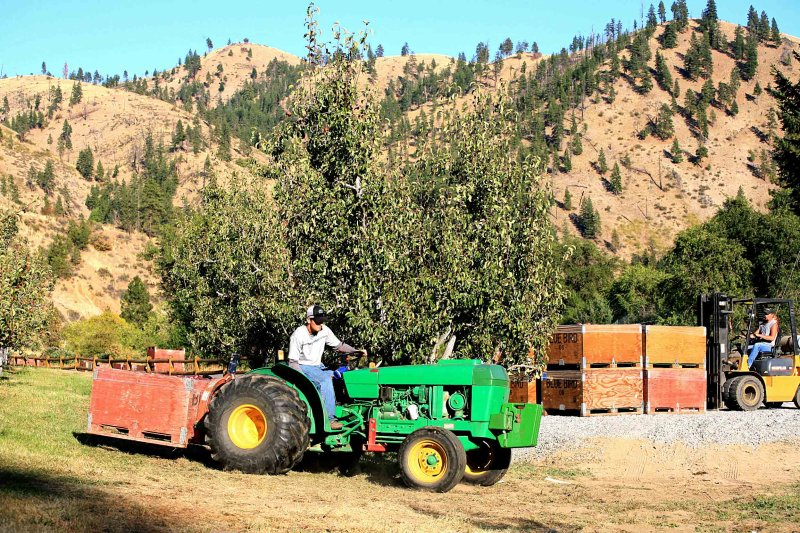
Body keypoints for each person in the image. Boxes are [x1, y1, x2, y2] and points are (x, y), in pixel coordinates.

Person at [288, 305, 364, 430]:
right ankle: (330, 419)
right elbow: (293, 362)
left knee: (340, 376)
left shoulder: (324, 330)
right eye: (317, 321)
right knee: (325, 380)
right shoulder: (298, 335)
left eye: (322, 320)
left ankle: (345, 410)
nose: (320, 324)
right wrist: (303, 381)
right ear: (308, 320)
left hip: (318, 366)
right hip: (304, 365)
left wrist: (355, 351)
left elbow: (339, 346)